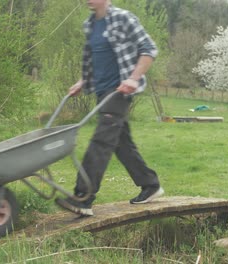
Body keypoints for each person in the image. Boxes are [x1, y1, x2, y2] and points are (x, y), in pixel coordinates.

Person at [55, 0, 164, 216]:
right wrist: (82, 81)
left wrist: (133, 79)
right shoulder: (91, 24)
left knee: (101, 141)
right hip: (102, 92)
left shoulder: (123, 18)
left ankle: (83, 197)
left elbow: (149, 49)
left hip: (119, 92)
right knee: (122, 144)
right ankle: (150, 184)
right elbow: (94, 60)